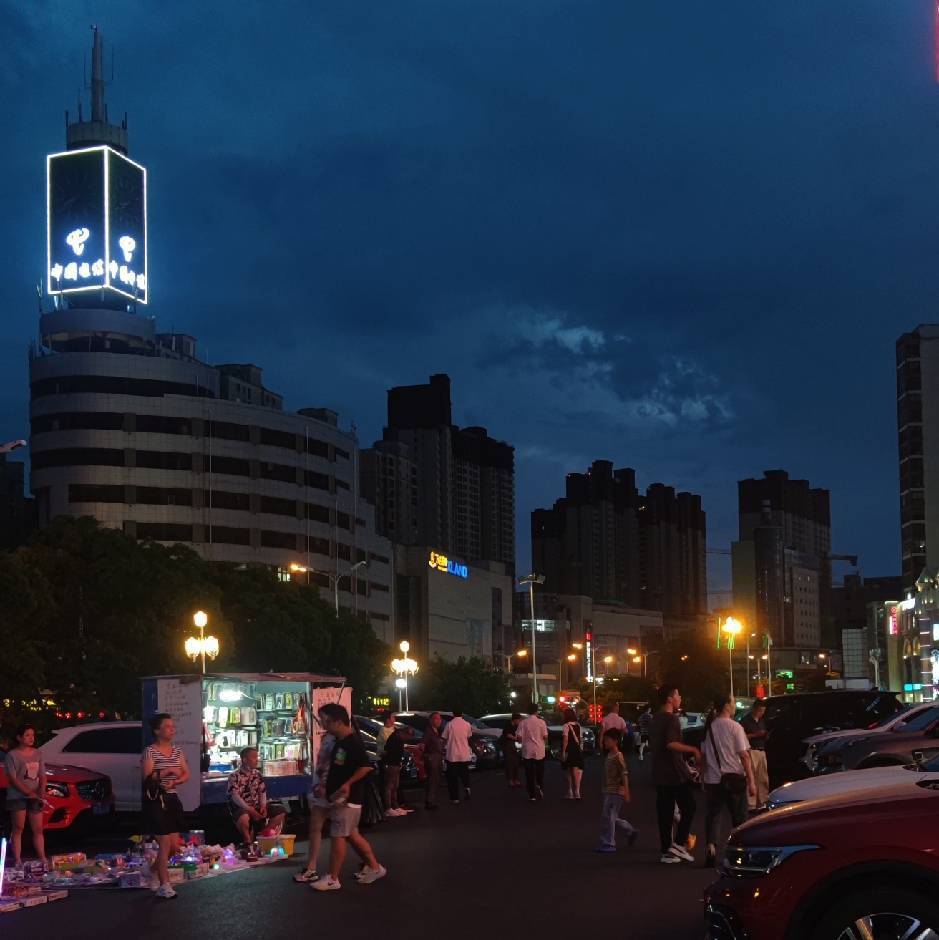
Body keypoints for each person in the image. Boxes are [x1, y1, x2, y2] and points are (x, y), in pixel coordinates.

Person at [311, 703, 386, 891]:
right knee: (352, 835)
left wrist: (347, 784)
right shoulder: (340, 741)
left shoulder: (353, 743)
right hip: (340, 798)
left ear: (338, 721)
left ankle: (333, 878)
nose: (323, 724)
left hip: (347, 800)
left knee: (338, 836)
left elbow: (365, 767)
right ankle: (375, 867)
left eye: (326, 721)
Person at [700, 694, 756, 867]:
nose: (734, 706)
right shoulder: (735, 727)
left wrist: (702, 777)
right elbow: (744, 756)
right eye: (732, 703)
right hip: (734, 779)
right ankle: (739, 853)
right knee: (739, 818)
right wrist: (752, 781)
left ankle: (711, 847)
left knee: (713, 816)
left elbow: (703, 756)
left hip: (713, 780)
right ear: (726, 706)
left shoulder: (709, 728)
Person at [649, 685, 700, 865]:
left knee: (665, 812)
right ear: (670, 699)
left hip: (659, 772)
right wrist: (693, 750)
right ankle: (678, 844)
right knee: (690, 806)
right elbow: (671, 744)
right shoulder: (672, 719)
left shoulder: (655, 719)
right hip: (673, 773)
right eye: (678, 695)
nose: (680, 698)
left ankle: (666, 852)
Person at [142, 713, 190, 899]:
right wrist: (168, 770)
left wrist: (176, 781)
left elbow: (186, 773)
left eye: (172, 726)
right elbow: (147, 777)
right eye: (168, 727)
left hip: (172, 799)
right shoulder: (150, 751)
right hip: (156, 800)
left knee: (174, 846)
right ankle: (165, 885)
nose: (172, 729)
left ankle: (152, 869)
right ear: (157, 731)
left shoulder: (177, 751)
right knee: (164, 843)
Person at [4, 724, 48, 870]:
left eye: (32, 735)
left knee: (38, 828)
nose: (31, 738)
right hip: (17, 796)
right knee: (18, 828)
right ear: (19, 738)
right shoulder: (12, 755)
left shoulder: (38, 753)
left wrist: (41, 791)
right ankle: (17, 860)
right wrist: (28, 793)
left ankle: (42, 858)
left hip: (35, 795)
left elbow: (42, 774)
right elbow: (13, 779)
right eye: (27, 735)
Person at [294, 728, 335, 883]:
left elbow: (330, 764)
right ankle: (312, 868)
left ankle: (324, 873)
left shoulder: (336, 740)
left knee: (345, 833)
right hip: (325, 789)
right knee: (318, 827)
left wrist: (323, 784)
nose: (322, 722)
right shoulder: (331, 738)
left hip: (328, 790)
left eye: (325, 719)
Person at [228, 747, 286, 845]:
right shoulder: (234, 776)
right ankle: (247, 841)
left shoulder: (257, 774)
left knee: (281, 810)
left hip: (256, 806)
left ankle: (263, 834)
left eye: (257, 757)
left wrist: (263, 806)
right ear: (244, 759)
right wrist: (249, 809)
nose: (257, 760)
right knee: (244, 818)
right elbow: (235, 796)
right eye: (254, 757)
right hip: (242, 808)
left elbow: (262, 791)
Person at [597, 728, 638, 852]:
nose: (605, 742)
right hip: (608, 790)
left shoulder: (618, 756)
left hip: (616, 791)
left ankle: (609, 843)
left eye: (607, 740)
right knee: (610, 816)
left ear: (615, 741)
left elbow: (624, 774)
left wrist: (626, 792)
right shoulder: (609, 755)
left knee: (609, 816)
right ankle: (630, 831)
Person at [740, 700, 770, 810]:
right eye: (760, 710)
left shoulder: (761, 721)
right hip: (752, 751)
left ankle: (762, 801)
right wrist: (754, 735)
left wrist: (765, 735)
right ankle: (751, 804)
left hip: (761, 750)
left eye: (763, 711)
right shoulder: (745, 721)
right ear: (755, 709)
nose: (762, 713)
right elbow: (741, 737)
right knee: (751, 776)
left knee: (762, 778)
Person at [517, 702, 549, 801]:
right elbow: (545, 736)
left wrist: (523, 740)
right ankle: (539, 786)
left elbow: (519, 737)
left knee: (529, 773)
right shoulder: (541, 722)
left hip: (527, 750)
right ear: (536, 711)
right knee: (540, 771)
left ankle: (532, 795)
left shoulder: (523, 722)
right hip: (539, 750)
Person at [381, 722, 413, 817]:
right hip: (391, 764)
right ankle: (388, 808)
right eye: (408, 737)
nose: (407, 739)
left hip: (395, 764)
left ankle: (395, 806)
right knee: (389, 786)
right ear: (405, 733)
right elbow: (387, 751)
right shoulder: (394, 738)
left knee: (395, 786)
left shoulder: (398, 738)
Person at [443, 709, 474, 803]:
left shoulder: (450, 724)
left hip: (452, 755)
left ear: (453, 714)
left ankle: (455, 798)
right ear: (462, 714)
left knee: (453, 777)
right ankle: (467, 787)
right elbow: (469, 737)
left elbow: (444, 737)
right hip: (464, 754)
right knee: (464, 773)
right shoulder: (467, 724)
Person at [560, 708, 584, 799]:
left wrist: (563, 752)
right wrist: (581, 748)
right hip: (577, 750)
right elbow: (581, 739)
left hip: (569, 750)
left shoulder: (566, 726)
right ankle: (577, 791)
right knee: (577, 769)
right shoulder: (578, 725)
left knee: (568, 770)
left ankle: (570, 791)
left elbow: (565, 739)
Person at [423, 712, 444, 810]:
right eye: (436, 718)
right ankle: (429, 801)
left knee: (436, 780)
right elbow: (423, 744)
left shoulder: (436, 731)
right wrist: (428, 756)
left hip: (437, 758)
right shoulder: (428, 731)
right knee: (432, 780)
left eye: (440, 719)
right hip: (432, 759)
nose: (439, 721)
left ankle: (432, 800)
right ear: (431, 720)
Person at [500, 713, 522, 787]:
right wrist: (516, 739)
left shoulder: (516, 726)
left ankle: (516, 779)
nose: (520, 721)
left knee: (516, 762)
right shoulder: (508, 725)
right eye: (519, 720)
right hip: (508, 745)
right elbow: (508, 735)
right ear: (515, 719)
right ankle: (510, 780)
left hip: (514, 745)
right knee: (509, 763)